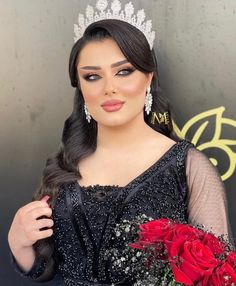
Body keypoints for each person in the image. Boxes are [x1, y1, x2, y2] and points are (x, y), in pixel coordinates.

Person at [8, 1, 232, 285]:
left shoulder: (187, 166)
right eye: (92, 76)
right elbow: (44, 269)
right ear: (81, 86)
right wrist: (19, 243)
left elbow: (220, 275)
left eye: (123, 71)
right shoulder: (65, 166)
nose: (109, 87)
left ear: (148, 77)